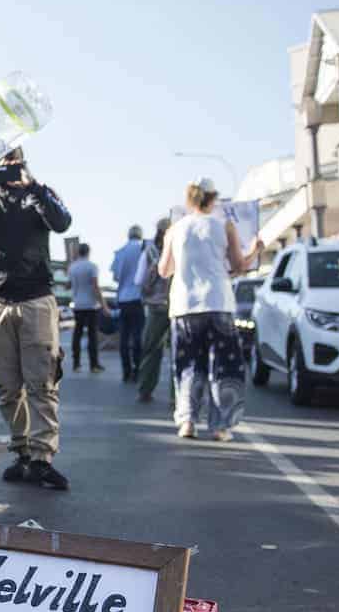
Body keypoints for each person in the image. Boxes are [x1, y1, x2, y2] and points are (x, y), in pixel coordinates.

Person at [0, 150, 72, 489]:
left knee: (42, 383)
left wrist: (35, 186)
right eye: (1, 160)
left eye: (13, 160)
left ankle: (42, 457)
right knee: (6, 387)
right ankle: (23, 451)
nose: (6, 167)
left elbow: (63, 221)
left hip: (35, 300)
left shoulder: (38, 193)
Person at [158, 179, 263, 441]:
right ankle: (220, 426)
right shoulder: (224, 226)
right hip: (218, 302)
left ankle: (187, 422)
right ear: (213, 199)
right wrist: (255, 251)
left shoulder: (175, 229)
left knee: (187, 365)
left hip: (184, 306)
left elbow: (164, 270)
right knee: (224, 366)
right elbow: (238, 265)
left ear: (190, 199)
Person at [135, 216, 174, 403]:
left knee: (151, 350)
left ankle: (145, 389)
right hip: (178, 306)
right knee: (179, 352)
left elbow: (139, 281)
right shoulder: (180, 249)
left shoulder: (149, 252)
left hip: (156, 307)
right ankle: (177, 397)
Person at [112, 226, 146, 382]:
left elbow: (116, 277)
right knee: (137, 336)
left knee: (124, 338)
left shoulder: (120, 252)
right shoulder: (143, 249)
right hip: (139, 299)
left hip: (123, 299)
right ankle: (137, 370)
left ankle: (126, 371)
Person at [68, 243, 106, 373]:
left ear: (79, 252)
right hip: (91, 304)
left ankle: (76, 364)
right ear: (89, 252)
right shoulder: (92, 266)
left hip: (77, 304)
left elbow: (70, 285)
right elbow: (95, 286)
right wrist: (104, 305)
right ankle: (94, 365)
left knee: (77, 334)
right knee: (92, 335)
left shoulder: (72, 267)